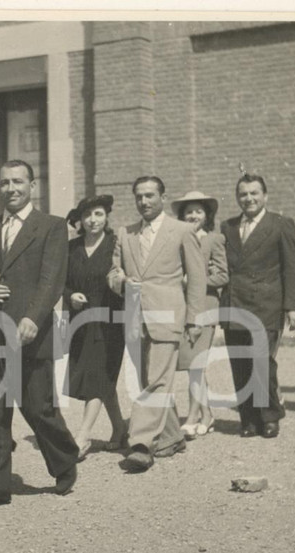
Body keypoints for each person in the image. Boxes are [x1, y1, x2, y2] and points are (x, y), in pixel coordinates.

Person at [0, 159, 79, 510]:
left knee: (37, 406)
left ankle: (64, 458)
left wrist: (33, 318)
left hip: (30, 332)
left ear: (32, 186)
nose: (11, 189)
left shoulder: (51, 227)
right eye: (4, 183)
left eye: (17, 182)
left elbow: (51, 279)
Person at [107, 177, 205, 470]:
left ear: (163, 197)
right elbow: (113, 273)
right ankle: (172, 437)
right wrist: (122, 281)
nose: (144, 202)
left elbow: (197, 278)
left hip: (168, 315)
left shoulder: (182, 230)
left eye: (150, 196)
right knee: (150, 380)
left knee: (157, 380)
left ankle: (140, 442)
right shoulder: (125, 234)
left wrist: (193, 319)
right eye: (139, 197)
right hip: (136, 317)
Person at [219, 174, 295, 439]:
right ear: (237, 197)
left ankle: (269, 415)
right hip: (235, 303)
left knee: (262, 361)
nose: (249, 199)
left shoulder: (280, 224)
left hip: (266, 304)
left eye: (254, 193)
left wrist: (293, 307)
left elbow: (293, 268)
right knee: (240, 363)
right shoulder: (227, 227)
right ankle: (249, 418)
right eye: (243, 194)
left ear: (265, 196)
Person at [62, 194, 128, 459]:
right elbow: (59, 282)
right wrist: (69, 296)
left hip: (110, 321)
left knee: (98, 375)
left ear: (107, 216)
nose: (93, 220)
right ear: (80, 220)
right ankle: (120, 429)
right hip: (80, 321)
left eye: (98, 214)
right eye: (88, 215)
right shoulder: (71, 248)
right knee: (103, 378)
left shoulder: (116, 245)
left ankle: (83, 435)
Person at [171, 191, 228, 439]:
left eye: (198, 211)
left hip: (205, 307)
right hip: (182, 309)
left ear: (207, 215)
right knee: (191, 364)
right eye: (189, 212)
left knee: (196, 364)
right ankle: (207, 414)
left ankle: (192, 416)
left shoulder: (214, 239)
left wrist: (194, 280)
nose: (193, 215)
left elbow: (224, 275)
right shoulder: (177, 237)